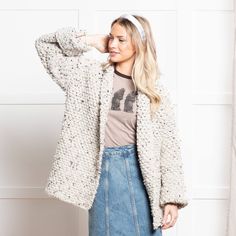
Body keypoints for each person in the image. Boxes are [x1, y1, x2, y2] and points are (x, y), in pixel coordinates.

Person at [35, 13, 188, 236]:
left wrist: (172, 199)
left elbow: (169, 148)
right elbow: (44, 45)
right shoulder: (89, 77)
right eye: (111, 38)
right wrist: (90, 40)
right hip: (104, 172)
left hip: (142, 177)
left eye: (121, 39)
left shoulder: (154, 92)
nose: (113, 44)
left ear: (138, 43)